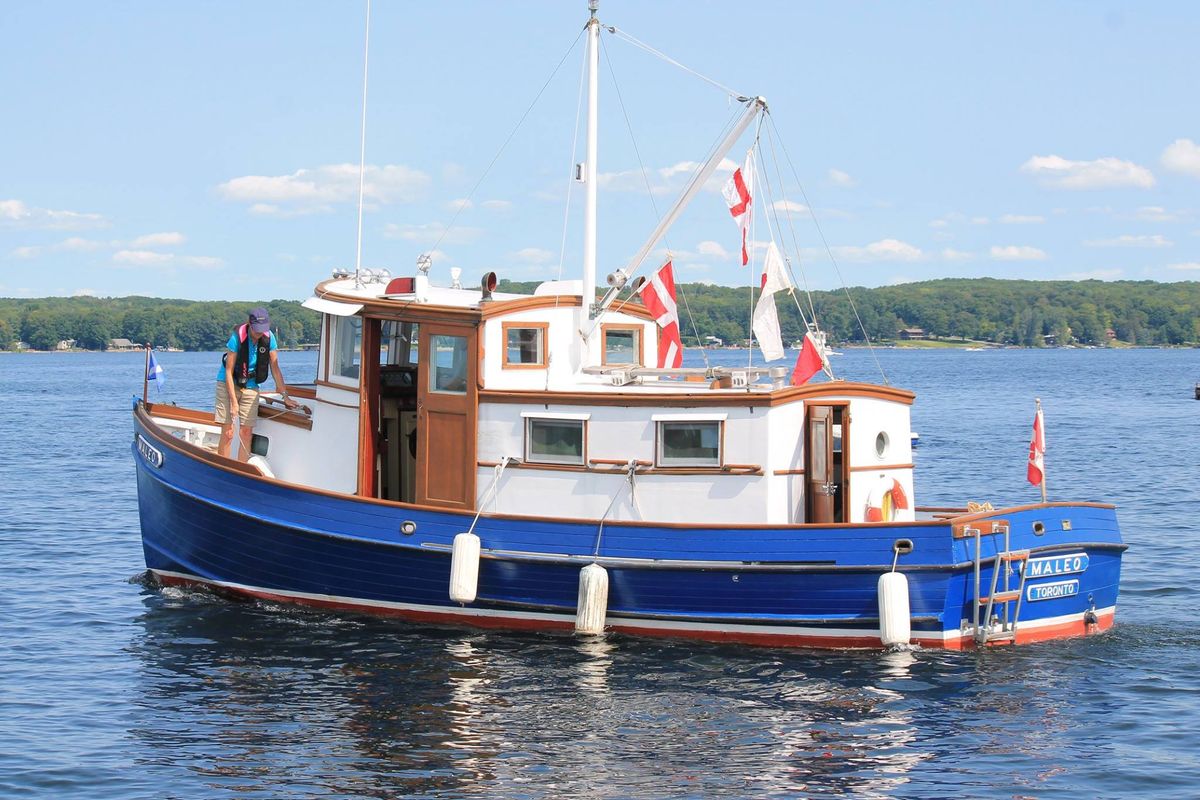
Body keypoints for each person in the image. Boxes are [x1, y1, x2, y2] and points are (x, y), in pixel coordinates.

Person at [215, 307, 298, 460]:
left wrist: (285, 396)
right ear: (249, 324)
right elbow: (228, 371)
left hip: (251, 385)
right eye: (256, 330)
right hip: (229, 383)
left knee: (246, 432)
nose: (259, 333)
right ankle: (222, 467)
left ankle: (242, 471)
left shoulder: (269, 338)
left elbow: (275, 368)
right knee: (228, 432)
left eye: (263, 329)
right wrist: (233, 402)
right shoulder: (236, 338)